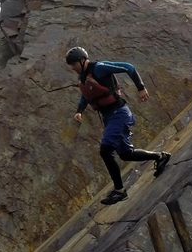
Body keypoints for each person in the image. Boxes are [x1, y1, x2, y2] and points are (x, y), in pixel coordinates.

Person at [65, 47, 171, 205]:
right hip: (109, 117)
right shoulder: (83, 77)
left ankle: (120, 190)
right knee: (126, 154)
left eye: (73, 64)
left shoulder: (99, 68)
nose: (72, 68)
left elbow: (128, 67)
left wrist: (141, 88)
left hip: (119, 114)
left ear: (82, 60)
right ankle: (160, 157)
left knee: (105, 150)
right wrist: (79, 111)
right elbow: (86, 94)